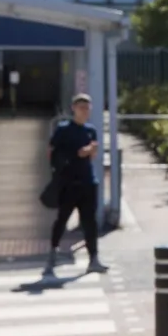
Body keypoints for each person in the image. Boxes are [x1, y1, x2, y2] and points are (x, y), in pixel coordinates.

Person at [46, 93, 103, 277]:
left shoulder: (91, 130)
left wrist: (91, 152)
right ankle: (53, 252)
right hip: (69, 182)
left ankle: (93, 258)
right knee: (62, 218)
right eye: (81, 107)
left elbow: (91, 157)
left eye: (87, 107)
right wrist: (75, 155)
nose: (84, 111)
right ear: (74, 108)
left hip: (88, 182)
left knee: (90, 221)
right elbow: (52, 152)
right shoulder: (64, 129)